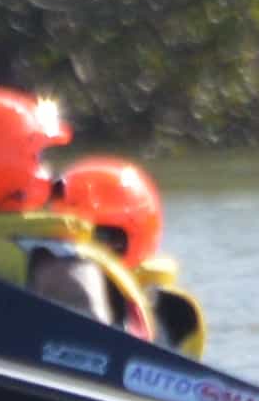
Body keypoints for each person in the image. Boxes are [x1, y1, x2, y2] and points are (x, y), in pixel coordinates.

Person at [0, 85, 152, 334]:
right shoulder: (56, 260)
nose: (50, 173)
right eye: (38, 158)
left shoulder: (51, 260)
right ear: (3, 162)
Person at [57, 152, 207, 355]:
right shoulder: (43, 277)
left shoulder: (177, 311)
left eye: (104, 236)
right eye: (80, 237)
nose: (93, 250)